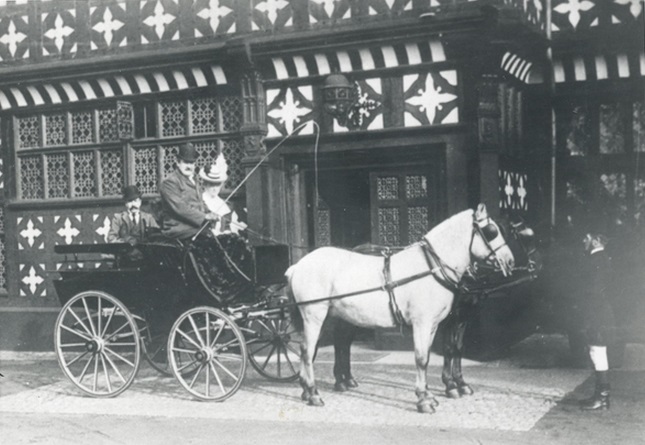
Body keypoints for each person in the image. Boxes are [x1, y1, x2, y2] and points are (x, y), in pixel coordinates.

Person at [578, 232, 614, 411]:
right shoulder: (602, 259)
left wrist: (587, 318)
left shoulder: (596, 260)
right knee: (597, 352)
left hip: (596, 313)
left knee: (597, 352)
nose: (583, 240)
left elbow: (593, 292)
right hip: (600, 312)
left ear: (596, 240)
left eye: (587, 237)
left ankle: (602, 398)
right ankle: (601, 396)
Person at [159, 142, 219, 240]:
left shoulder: (194, 180)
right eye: (186, 162)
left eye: (191, 163)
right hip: (178, 228)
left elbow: (200, 202)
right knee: (206, 238)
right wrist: (205, 216)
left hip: (194, 227)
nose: (189, 166)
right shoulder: (170, 182)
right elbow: (180, 208)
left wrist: (210, 213)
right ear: (178, 162)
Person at [200, 153, 247, 236]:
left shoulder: (223, 203)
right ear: (205, 184)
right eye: (211, 184)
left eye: (217, 185)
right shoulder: (201, 200)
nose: (214, 188)